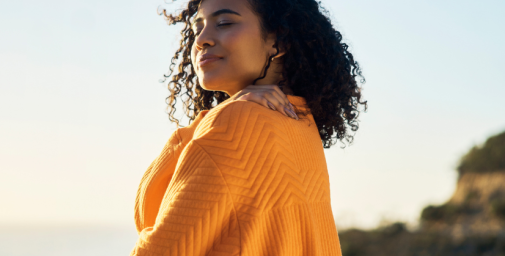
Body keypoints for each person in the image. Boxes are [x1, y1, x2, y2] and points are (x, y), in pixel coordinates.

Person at [132, 0, 366, 254]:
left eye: (224, 23)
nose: (201, 40)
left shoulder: (235, 123)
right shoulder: (299, 121)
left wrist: (220, 116)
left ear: (278, 41)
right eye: (196, 28)